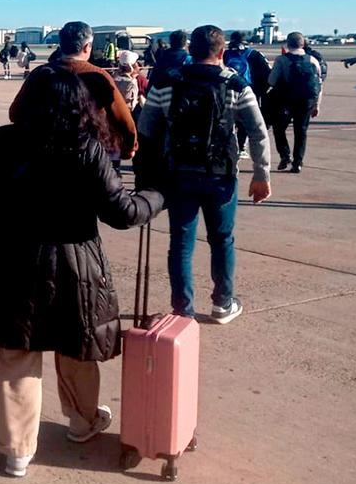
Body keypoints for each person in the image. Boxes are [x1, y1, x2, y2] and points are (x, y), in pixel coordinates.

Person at [0, 66, 162, 478]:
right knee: (76, 346)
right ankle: (83, 420)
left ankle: (16, 449)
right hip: (75, 264)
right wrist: (156, 197)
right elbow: (122, 213)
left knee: (17, 352)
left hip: (11, 258)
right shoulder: (86, 146)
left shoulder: (4, 139)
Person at [138, 25, 272, 322]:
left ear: (190, 50)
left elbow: (146, 129)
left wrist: (147, 174)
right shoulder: (235, 85)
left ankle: (182, 310)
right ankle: (223, 303)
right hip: (220, 175)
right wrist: (261, 174)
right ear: (222, 52)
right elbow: (257, 131)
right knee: (222, 239)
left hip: (179, 173)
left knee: (181, 243)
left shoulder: (167, 82)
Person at [11, 21, 138, 160]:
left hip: (45, 153)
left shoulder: (40, 73)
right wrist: (129, 147)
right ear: (87, 47)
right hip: (89, 155)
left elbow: (15, 113)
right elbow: (123, 119)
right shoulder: (99, 76)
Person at [268, 31, 323, 174]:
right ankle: (298, 162)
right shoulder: (312, 60)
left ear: (288, 44)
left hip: (286, 100)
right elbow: (318, 85)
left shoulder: (282, 60)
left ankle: (285, 155)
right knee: (301, 131)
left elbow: (271, 81)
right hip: (306, 101)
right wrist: (317, 104)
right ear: (303, 44)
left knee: (279, 128)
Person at [223, 31, 272, 157]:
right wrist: (261, 91)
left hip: (228, 89)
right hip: (249, 90)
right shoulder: (254, 54)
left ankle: (230, 145)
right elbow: (268, 73)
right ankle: (241, 147)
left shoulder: (226, 54)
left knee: (228, 118)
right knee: (247, 120)